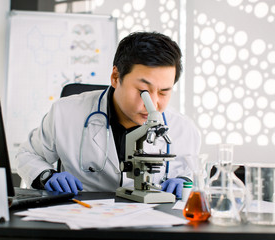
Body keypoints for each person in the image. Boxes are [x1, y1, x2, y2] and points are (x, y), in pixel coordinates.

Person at [15, 31, 201, 199]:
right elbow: (26, 155)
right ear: (115, 77)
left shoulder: (183, 129)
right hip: (84, 218)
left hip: (152, 223)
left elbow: (191, 174)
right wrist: (46, 175)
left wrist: (185, 182)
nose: (153, 104)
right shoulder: (65, 113)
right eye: (143, 91)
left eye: (163, 92)